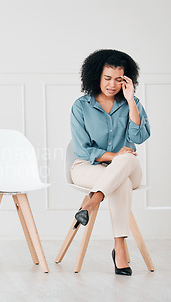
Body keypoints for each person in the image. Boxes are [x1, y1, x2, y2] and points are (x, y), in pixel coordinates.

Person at [70, 49, 150, 276]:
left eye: (119, 79)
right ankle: (120, 247)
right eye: (107, 78)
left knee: (126, 162)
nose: (112, 84)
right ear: (96, 75)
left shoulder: (130, 103)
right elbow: (83, 150)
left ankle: (92, 203)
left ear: (127, 80)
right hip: (88, 168)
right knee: (120, 182)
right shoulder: (81, 106)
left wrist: (131, 100)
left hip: (128, 167)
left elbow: (139, 138)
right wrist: (116, 156)